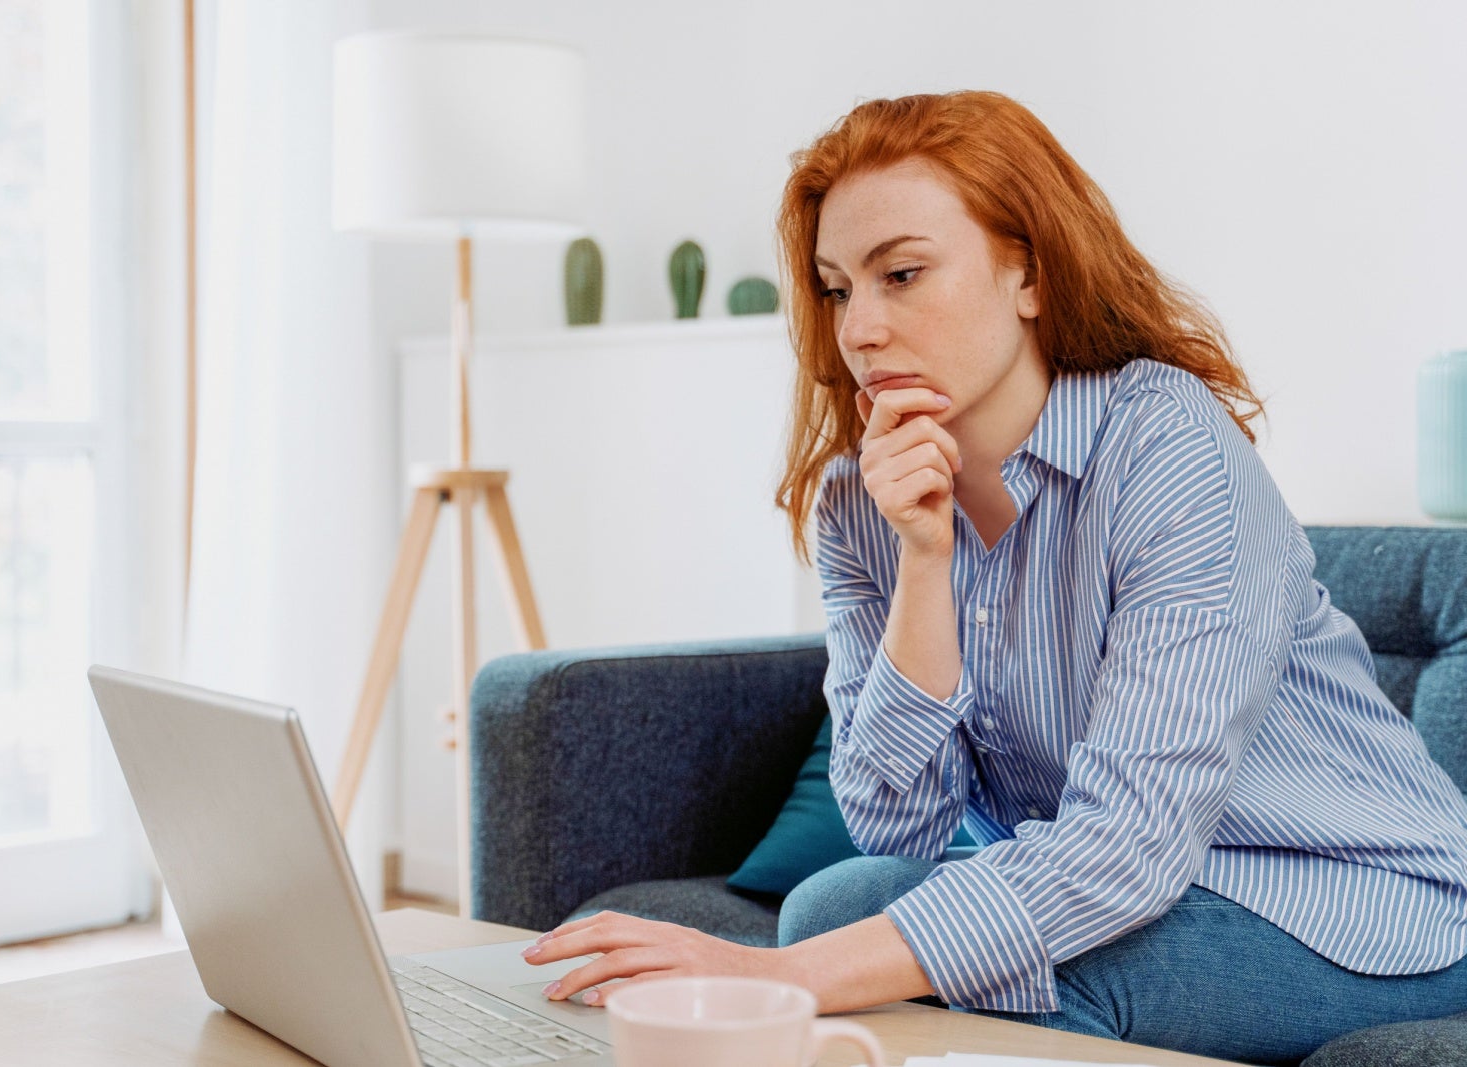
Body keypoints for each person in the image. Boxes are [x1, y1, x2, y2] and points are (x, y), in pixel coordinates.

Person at [522, 91, 1467, 1064]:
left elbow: (1128, 843)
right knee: (831, 901)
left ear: (1027, 270)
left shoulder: (1163, 440)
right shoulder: (860, 500)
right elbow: (900, 821)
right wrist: (923, 560)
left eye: (903, 273)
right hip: (1160, 878)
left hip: (1354, 894)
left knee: (1029, 980)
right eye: (839, 287)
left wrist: (775, 976)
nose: (861, 328)